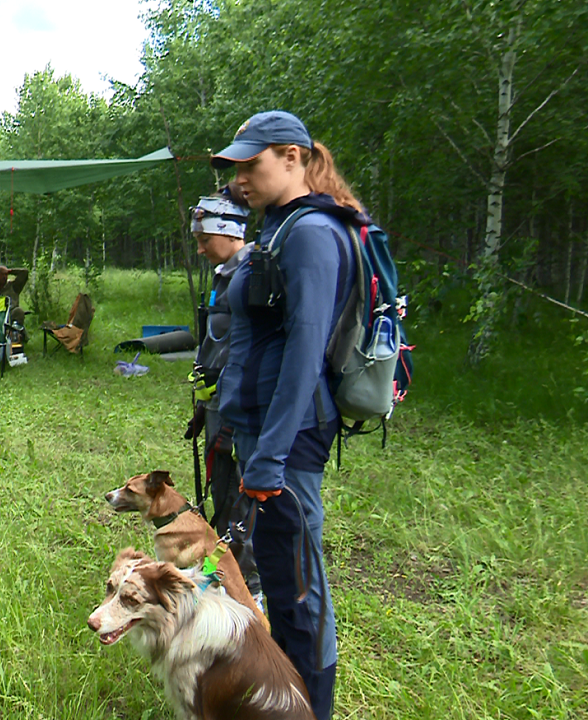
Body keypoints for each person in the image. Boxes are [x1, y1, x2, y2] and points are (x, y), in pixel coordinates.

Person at [211, 110, 370, 720]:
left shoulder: (311, 234)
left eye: (252, 164)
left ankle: (315, 709)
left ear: (293, 157)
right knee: (279, 576)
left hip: (291, 436)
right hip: (260, 430)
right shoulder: (277, 230)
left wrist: (271, 455)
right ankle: (286, 704)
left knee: (300, 589)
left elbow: (305, 348)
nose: (241, 179)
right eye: (236, 168)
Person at [183, 186, 262, 602]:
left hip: (241, 412)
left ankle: (248, 590)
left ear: (229, 231)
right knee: (221, 497)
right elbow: (216, 344)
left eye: (203, 239)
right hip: (217, 407)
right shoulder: (223, 275)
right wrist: (203, 406)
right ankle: (220, 574)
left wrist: (230, 414)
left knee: (240, 506)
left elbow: (247, 354)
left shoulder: (251, 275)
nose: (200, 249)